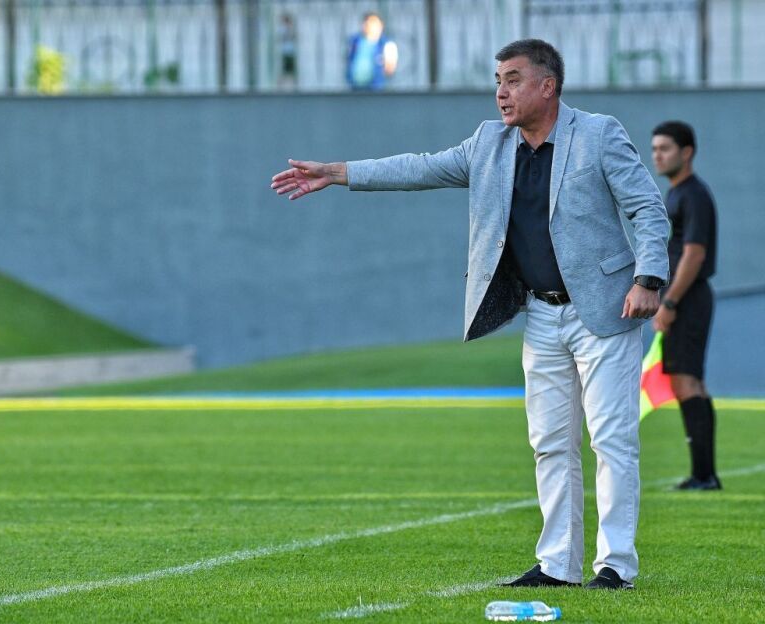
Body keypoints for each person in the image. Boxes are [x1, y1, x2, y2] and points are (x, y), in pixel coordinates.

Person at [271, 39, 670, 590]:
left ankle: (615, 566)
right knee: (550, 443)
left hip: (605, 310)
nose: (501, 92)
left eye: (512, 80)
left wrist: (648, 279)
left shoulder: (599, 134)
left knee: (611, 441)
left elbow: (647, 208)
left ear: (548, 86)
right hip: (542, 315)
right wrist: (338, 172)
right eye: (497, 81)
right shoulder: (488, 142)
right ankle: (558, 566)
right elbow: (420, 168)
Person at [650, 121, 721, 491]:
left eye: (665, 148)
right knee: (688, 381)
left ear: (687, 152)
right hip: (685, 298)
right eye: (654, 149)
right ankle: (704, 474)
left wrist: (670, 301)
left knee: (686, 381)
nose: (657, 155)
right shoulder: (677, 193)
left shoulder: (693, 194)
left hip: (689, 298)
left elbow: (694, 254)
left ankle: (704, 476)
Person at [346, 12, 398, 90]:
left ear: (380, 25)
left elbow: (390, 69)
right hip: (355, 87)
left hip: (376, 88)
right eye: (367, 23)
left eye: (373, 23)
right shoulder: (355, 41)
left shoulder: (387, 44)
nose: (369, 26)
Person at [278, 13, 297, 91]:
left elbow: (294, 37)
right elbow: (283, 38)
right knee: (285, 70)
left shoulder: (290, 28)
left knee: (290, 70)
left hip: (290, 52)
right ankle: (281, 85)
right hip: (286, 52)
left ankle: (291, 85)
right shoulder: (283, 29)